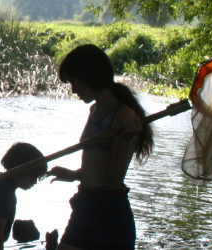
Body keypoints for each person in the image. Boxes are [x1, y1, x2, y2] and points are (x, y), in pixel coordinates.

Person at [46, 44, 155, 250]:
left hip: (109, 212)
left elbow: (113, 180)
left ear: (89, 77)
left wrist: (124, 142)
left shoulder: (123, 115)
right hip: (86, 205)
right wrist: (75, 174)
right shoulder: (95, 109)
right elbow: (98, 163)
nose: (73, 89)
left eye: (74, 82)